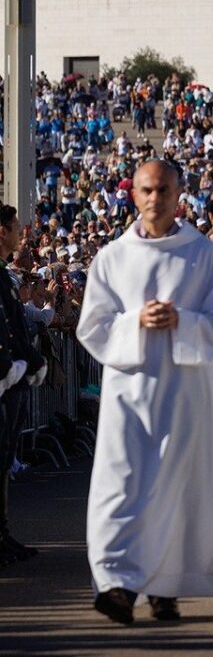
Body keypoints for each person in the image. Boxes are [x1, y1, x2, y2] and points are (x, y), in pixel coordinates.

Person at [77, 160, 213, 624]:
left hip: (186, 391)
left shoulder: (206, 255)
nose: (155, 198)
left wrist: (183, 322)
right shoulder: (112, 257)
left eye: (164, 189)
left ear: (178, 193)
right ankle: (117, 584)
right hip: (129, 391)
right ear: (134, 195)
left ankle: (166, 589)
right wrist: (135, 323)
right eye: (147, 189)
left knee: (176, 488)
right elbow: (93, 326)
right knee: (123, 484)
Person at [0, 206, 48, 569]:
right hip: (3, 378)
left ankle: (1, 532)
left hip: (11, 380)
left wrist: (33, 361)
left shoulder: (3, 277)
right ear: (2, 231)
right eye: (15, 228)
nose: (20, 234)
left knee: (4, 456)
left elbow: (14, 328)